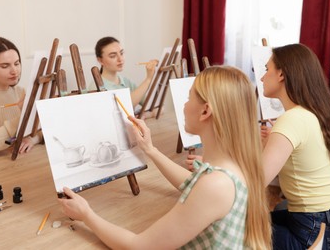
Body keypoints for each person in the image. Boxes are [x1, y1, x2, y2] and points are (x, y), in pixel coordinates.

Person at [58, 66, 272, 249]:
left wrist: (87, 215)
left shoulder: (215, 185)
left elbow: (138, 246)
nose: (184, 105)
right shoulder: (237, 165)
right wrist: (150, 149)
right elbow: (191, 184)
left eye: (189, 98)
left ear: (206, 111)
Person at [261, 43, 330, 249]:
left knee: (240, 228)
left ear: (282, 74)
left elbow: (256, 180)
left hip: (314, 230)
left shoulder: (292, 119)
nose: (262, 77)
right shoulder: (313, 112)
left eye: (267, 70)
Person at [0, 37, 42, 156]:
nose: (14, 71)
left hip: (22, 162)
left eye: (17, 63)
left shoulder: (21, 92)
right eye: (5, 66)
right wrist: (21, 119)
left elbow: (42, 129)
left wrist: (32, 139)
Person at [92, 36, 158, 112]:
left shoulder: (126, 81)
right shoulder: (96, 87)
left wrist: (147, 114)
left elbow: (156, 107)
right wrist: (148, 79)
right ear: (100, 60)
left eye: (121, 53)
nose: (120, 59)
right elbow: (124, 108)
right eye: (113, 56)